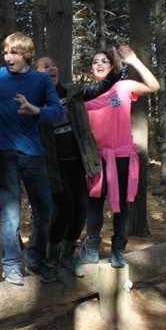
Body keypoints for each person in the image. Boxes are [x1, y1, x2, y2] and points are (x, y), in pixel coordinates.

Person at [0, 33, 63, 285]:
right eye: (6, 51)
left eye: (14, 52)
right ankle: (10, 266)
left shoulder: (40, 80)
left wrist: (37, 110)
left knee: (45, 209)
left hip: (33, 153)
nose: (8, 57)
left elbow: (57, 110)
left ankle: (34, 257)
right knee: (10, 212)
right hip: (3, 153)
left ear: (26, 54)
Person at [33, 55, 122, 272]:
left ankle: (67, 255)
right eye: (46, 66)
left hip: (79, 162)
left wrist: (117, 70)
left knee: (81, 210)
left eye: (53, 64)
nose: (52, 68)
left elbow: (100, 87)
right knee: (65, 210)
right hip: (54, 166)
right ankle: (51, 256)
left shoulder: (72, 92)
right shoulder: (35, 99)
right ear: (37, 74)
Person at [78, 45, 160, 271]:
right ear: (90, 68)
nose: (100, 64)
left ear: (112, 65)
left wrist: (134, 61)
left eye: (104, 60)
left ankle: (119, 248)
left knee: (121, 205)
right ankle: (92, 248)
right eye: (95, 61)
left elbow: (154, 86)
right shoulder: (85, 93)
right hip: (95, 157)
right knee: (94, 202)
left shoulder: (124, 86)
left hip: (122, 155)